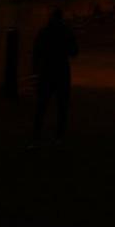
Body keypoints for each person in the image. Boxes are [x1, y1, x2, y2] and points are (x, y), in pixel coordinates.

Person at [31, 9, 79, 145]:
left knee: (42, 105)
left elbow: (36, 51)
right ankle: (59, 135)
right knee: (62, 106)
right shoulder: (66, 32)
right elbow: (74, 51)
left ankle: (36, 134)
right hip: (62, 71)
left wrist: (36, 68)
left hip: (46, 70)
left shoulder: (44, 32)